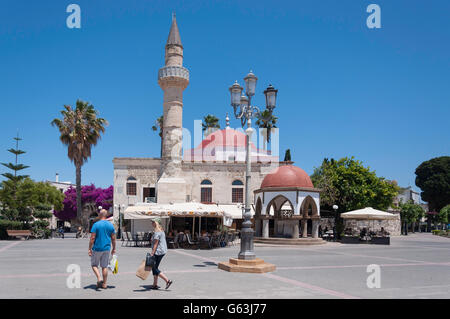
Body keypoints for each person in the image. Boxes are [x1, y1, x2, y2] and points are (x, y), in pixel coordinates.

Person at [88, 209, 116, 289]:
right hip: (107, 248)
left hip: (97, 248)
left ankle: (99, 278)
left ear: (100, 215)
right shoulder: (110, 225)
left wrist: (89, 249)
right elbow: (113, 238)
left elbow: (92, 238)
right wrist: (114, 248)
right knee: (104, 266)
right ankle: (105, 284)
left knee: (94, 264)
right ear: (106, 215)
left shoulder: (96, 225)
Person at [149, 218, 172, 290]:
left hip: (158, 252)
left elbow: (156, 243)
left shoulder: (157, 232)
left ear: (156, 223)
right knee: (155, 267)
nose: (151, 223)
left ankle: (167, 281)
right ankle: (155, 284)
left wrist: (152, 253)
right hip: (162, 251)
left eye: (153, 222)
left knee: (154, 268)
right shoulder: (161, 231)